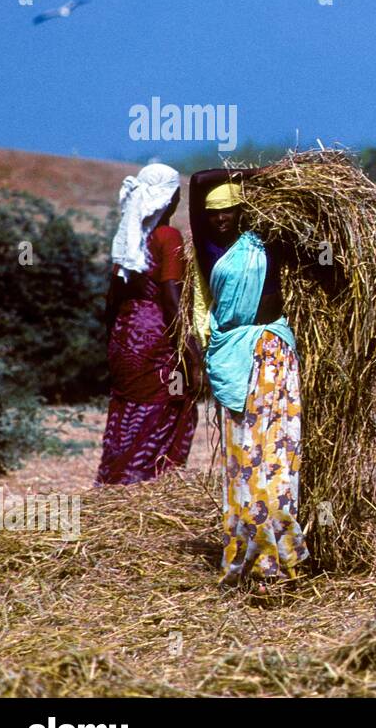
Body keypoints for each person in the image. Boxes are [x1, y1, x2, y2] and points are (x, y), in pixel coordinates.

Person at [189, 168, 308, 587]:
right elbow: (200, 180)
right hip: (234, 360)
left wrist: (259, 178)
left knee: (277, 455)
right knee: (244, 460)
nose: (220, 218)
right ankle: (250, 555)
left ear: (245, 210)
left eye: (229, 210)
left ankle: (278, 554)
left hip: (273, 353)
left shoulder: (265, 240)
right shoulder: (208, 250)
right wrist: (242, 173)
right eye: (213, 213)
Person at [98, 164, 200, 485]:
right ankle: (140, 487)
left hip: (124, 338)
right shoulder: (168, 237)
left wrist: (115, 341)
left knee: (128, 411)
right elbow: (171, 295)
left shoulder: (128, 240)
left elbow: (110, 299)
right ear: (170, 199)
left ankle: (115, 482)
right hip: (156, 339)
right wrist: (191, 352)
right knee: (166, 406)